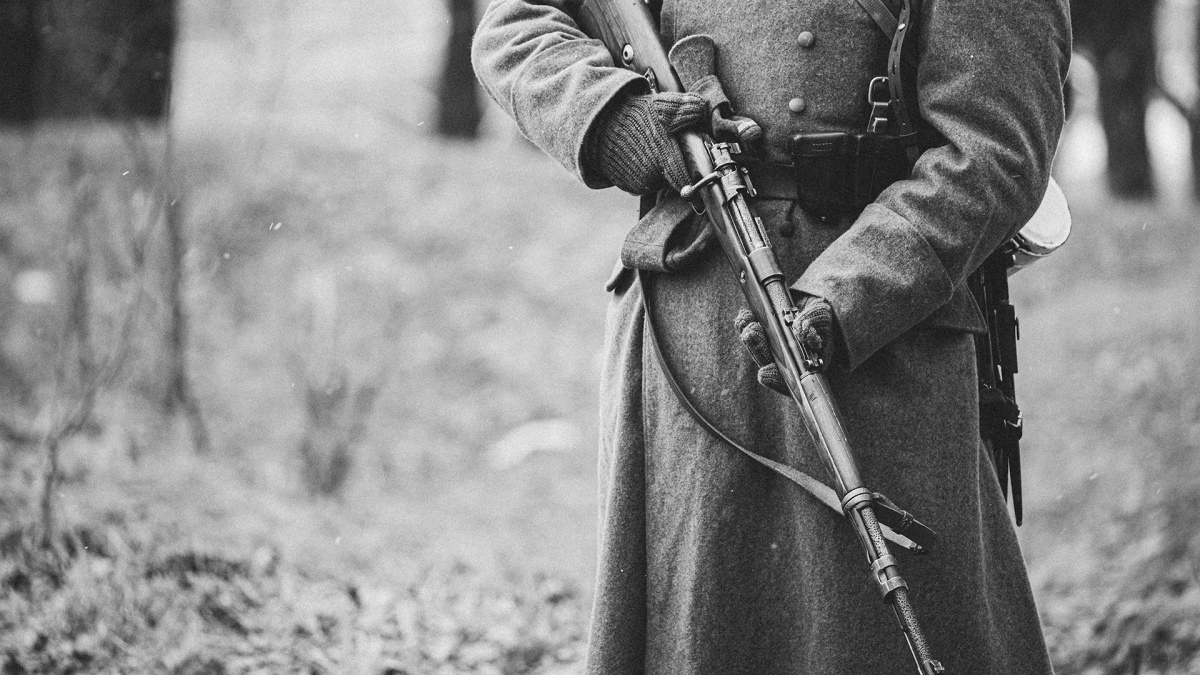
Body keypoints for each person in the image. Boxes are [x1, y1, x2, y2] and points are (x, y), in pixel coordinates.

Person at [472, 0, 1070, 671]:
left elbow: (993, 152)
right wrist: (617, 120)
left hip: (876, 347)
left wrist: (846, 297)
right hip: (688, 325)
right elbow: (517, 25)